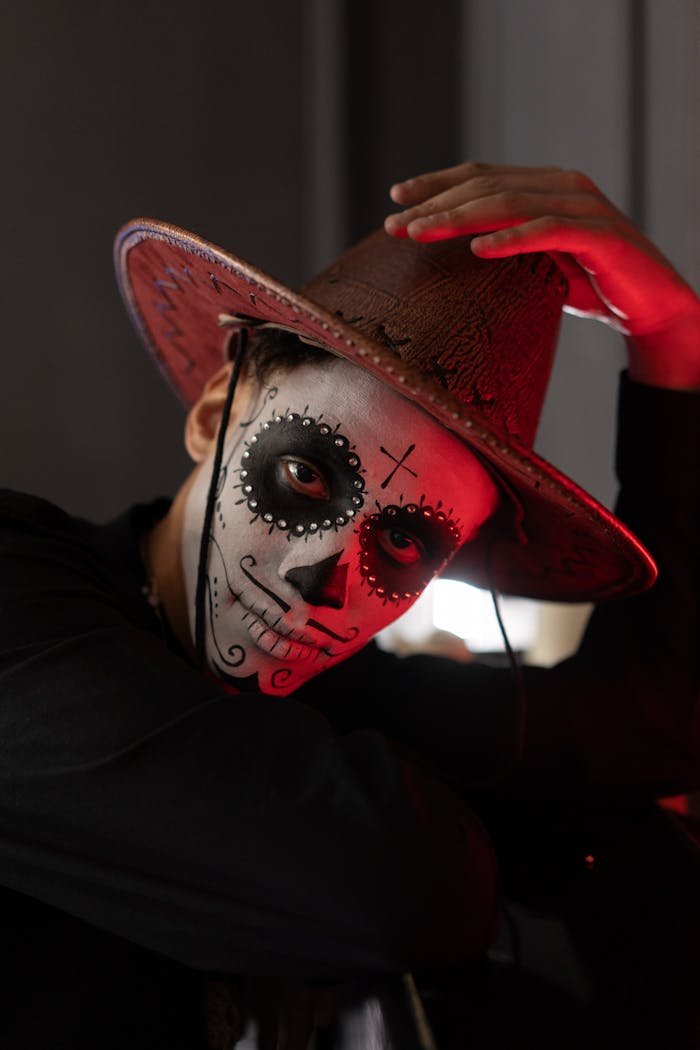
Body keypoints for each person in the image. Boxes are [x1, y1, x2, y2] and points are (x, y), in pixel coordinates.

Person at [0, 162, 698, 1049]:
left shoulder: (337, 701)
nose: (323, 581)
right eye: (304, 475)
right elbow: (395, 892)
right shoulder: (17, 589)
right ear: (215, 415)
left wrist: (673, 343)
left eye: (403, 545)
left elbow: (645, 722)